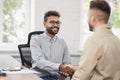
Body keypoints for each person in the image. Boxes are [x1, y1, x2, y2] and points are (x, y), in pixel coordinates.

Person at [61, 0, 120, 80]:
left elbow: (82, 76)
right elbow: (102, 70)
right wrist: (74, 69)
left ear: (93, 18)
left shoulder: (94, 41)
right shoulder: (116, 41)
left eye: (87, 17)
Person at [30, 10, 71, 80]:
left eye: (57, 23)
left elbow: (67, 63)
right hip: (39, 76)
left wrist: (63, 76)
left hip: (57, 77)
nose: (55, 25)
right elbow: (39, 61)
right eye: (52, 22)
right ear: (44, 24)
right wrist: (59, 67)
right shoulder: (35, 40)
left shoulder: (62, 42)